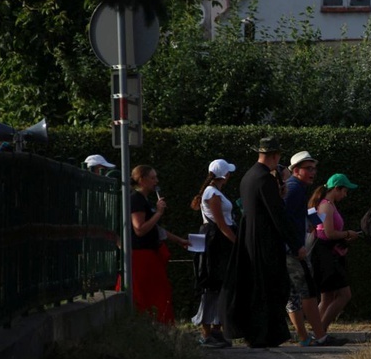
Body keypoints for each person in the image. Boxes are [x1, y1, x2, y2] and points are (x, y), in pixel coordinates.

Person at [220, 137, 303, 348]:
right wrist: (296, 244)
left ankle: (259, 334)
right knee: (269, 288)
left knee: (257, 288)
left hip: (251, 239)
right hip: (265, 242)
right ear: (275, 156)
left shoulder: (249, 176)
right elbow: (277, 214)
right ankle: (264, 335)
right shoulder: (265, 179)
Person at [283, 151, 347, 347]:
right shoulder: (294, 188)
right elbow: (284, 219)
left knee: (294, 295)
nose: (313, 172)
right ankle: (320, 336)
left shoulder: (297, 188)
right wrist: (297, 246)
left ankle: (305, 338)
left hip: (289, 248)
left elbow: (295, 216)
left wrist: (309, 223)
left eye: (314, 168)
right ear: (296, 170)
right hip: (293, 249)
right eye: (308, 168)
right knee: (308, 292)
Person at [124, 165, 189, 324]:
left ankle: (158, 324)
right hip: (141, 255)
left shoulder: (145, 200)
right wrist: (159, 213)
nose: (156, 181)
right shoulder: (136, 200)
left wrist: (179, 240)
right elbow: (139, 229)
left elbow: (156, 228)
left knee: (159, 291)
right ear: (142, 180)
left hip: (149, 254)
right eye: (152, 178)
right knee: (149, 294)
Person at [190, 159, 237, 348]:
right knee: (211, 284)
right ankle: (207, 331)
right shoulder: (212, 193)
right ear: (225, 175)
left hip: (218, 241)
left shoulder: (213, 191)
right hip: (216, 242)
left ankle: (216, 328)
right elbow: (221, 223)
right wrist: (236, 241)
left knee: (220, 285)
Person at [309, 173, 360, 331]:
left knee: (327, 297)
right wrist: (347, 234)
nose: (345, 195)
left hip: (327, 254)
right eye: (344, 191)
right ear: (336, 188)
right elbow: (328, 233)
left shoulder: (323, 204)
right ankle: (321, 331)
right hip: (327, 257)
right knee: (344, 295)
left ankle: (316, 332)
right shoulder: (326, 205)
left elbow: (318, 230)